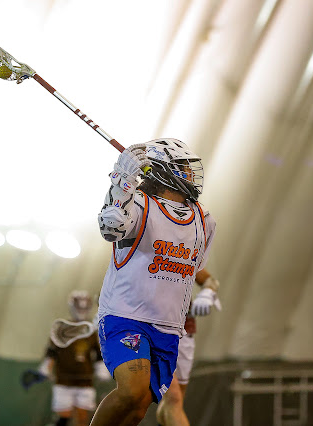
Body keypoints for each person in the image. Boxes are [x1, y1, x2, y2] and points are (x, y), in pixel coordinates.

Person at [91, 138, 217, 426]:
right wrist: (122, 183)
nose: (190, 174)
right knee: (131, 390)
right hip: (126, 316)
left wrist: (210, 289)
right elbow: (111, 227)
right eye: (183, 167)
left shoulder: (204, 220)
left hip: (169, 326)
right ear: (163, 171)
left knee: (138, 407)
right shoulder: (139, 204)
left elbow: (195, 267)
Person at [21, 290, 110, 426]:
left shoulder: (91, 331)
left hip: (85, 381)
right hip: (63, 380)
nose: (81, 311)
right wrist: (45, 369)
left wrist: (102, 370)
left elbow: (98, 354)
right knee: (63, 417)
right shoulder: (61, 328)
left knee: (82, 417)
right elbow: (52, 352)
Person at [156, 268, 221, 426]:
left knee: (175, 402)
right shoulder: (147, 254)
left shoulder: (187, 255)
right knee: (173, 397)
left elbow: (210, 280)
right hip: (155, 330)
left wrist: (208, 292)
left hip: (184, 331)